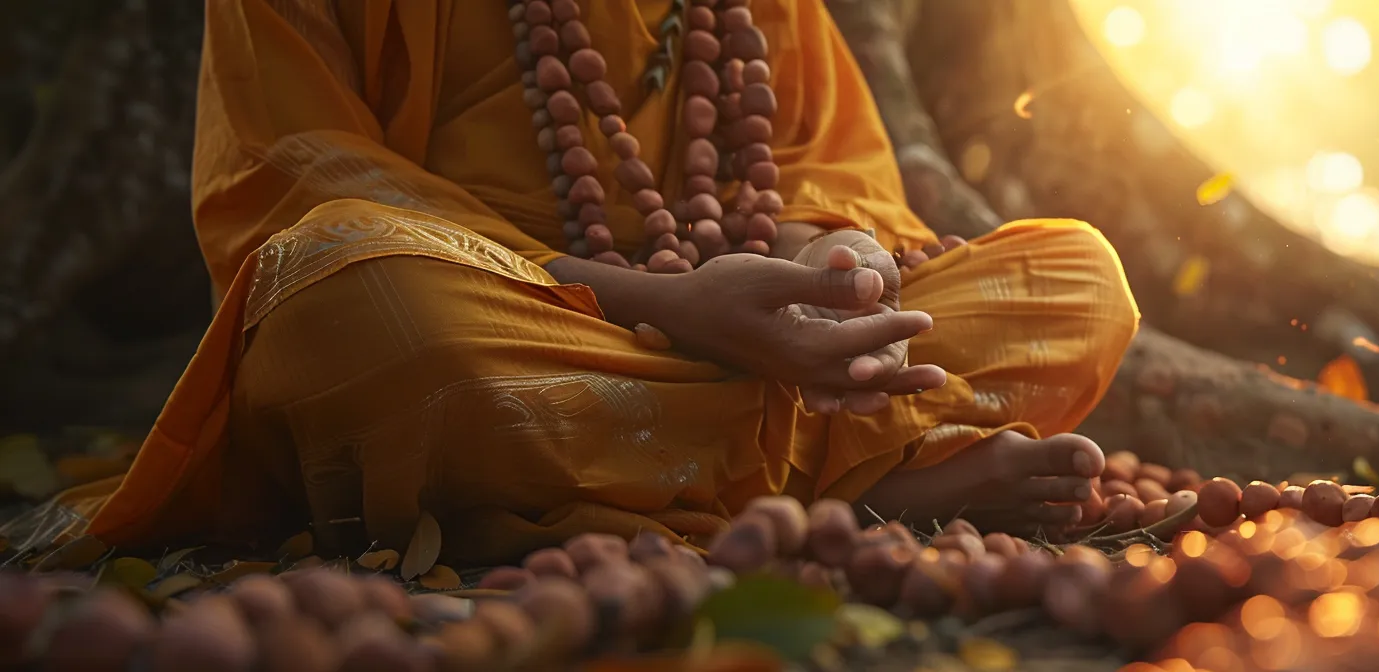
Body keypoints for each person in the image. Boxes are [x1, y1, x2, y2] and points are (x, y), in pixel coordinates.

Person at [75, 0, 1139, 565]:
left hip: (745, 310)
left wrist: (832, 269)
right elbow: (289, 177)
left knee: (1076, 277)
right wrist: (668, 307)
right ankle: (859, 484)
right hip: (510, 311)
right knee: (361, 310)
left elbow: (824, 156)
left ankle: (696, 475)